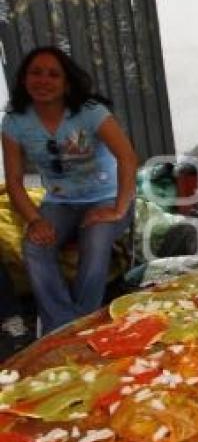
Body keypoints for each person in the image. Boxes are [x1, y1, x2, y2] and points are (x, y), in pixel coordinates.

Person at [1, 46, 137, 334]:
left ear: (66, 83)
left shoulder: (90, 113)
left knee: (96, 239)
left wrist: (119, 209)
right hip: (59, 203)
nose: (43, 80)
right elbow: (13, 180)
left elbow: (127, 156)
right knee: (34, 246)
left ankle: (84, 321)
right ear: (24, 79)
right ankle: (62, 328)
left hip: (107, 197)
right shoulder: (14, 121)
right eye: (35, 73)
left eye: (53, 74)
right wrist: (35, 220)